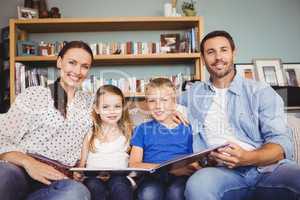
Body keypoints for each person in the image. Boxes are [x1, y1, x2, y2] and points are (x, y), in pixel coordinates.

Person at [178, 30, 300, 200]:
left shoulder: (261, 91)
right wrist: (171, 111)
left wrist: (248, 158)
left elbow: (281, 144)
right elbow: (161, 102)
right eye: (211, 52)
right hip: (220, 173)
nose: (218, 57)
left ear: (234, 53)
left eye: (224, 50)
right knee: (197, 185)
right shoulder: (192, 94)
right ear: (203, 58)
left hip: (268, 169)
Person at [0, 41, 94, 200]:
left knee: (77, 193)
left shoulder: (91, 103)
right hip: (21, 168)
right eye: (72, 63)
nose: (77, 71)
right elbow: (2, 137)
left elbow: (106, 137)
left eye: (84, 66)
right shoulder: (35, 94)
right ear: (59, 62)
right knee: (3, 176)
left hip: (60, 178)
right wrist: (30, 163)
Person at [129, 77, 198, 200]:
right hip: (151, 178)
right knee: (148, 194)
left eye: (164, 100)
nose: (158, 106)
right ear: (146, 103)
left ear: (174, 101)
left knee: (176, 192)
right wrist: (170, 169)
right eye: (152, 101)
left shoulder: (188, 128)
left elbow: (194, 163)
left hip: (181, 178)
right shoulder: (142, 129)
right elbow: (134, 164)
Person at [77, 85, 134, 200]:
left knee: (120, 186)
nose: (112, 111)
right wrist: (78, 173)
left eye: (117, 106)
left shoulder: (128, 132)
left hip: (120, 178)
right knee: (93, 187)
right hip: (93, 178)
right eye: (106, 107)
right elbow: (82, 164)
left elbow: (134, 161)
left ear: (123, 108)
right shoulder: (90, 133)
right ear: (97, 109)